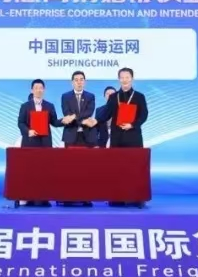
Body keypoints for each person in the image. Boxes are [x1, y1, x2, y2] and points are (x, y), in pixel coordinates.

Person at [101, 68, 149, 207]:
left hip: (133, 136)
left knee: (135, 168)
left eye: (127, 77)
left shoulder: (139, 96)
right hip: (117, 138)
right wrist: (94, 120)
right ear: (119, 79)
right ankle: (117, 198)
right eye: (122, 77)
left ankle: (137, 198)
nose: (125, 80)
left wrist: (132, 124)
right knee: (117, 168)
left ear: (132, 79)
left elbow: (144, 115)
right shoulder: (113, 97)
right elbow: (105, 114)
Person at [16, 79, 61, 207]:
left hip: (45, 143)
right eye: (36, 88)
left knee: (44, 171)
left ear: (44, 90)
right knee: (30, 170)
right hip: (30, 142)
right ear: (32, 90)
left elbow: (54, 122)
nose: (39, 90)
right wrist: (28, 131)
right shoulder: (25, 106)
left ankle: (43, 198)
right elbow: (20, 123)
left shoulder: (49, 105)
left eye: (41, 88)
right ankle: (29, 197)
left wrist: (64, 121)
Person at [61, 71, 98, 148]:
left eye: (81, 80)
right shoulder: (65, 96)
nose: (79, 82)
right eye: (76, 80)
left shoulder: (90, 96)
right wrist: (82, 121)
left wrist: (74, 116)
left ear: (85, 82)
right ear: (72, 82)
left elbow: (89, 112)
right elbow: (67, 114)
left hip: (88, 134)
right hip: (70, 135)